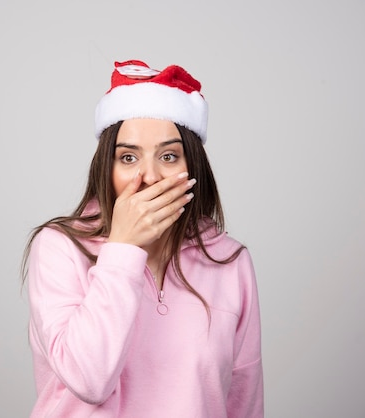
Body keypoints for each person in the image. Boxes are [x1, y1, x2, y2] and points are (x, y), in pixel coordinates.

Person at [21, 59, 263, 417]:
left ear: (192, 167)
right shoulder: (59, 247)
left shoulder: (229, 260)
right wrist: (123, 249)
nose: (148, 177)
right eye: (128, 157)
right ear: (108, 166)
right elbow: (89, 379)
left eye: (168, 156)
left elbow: (244, 400)